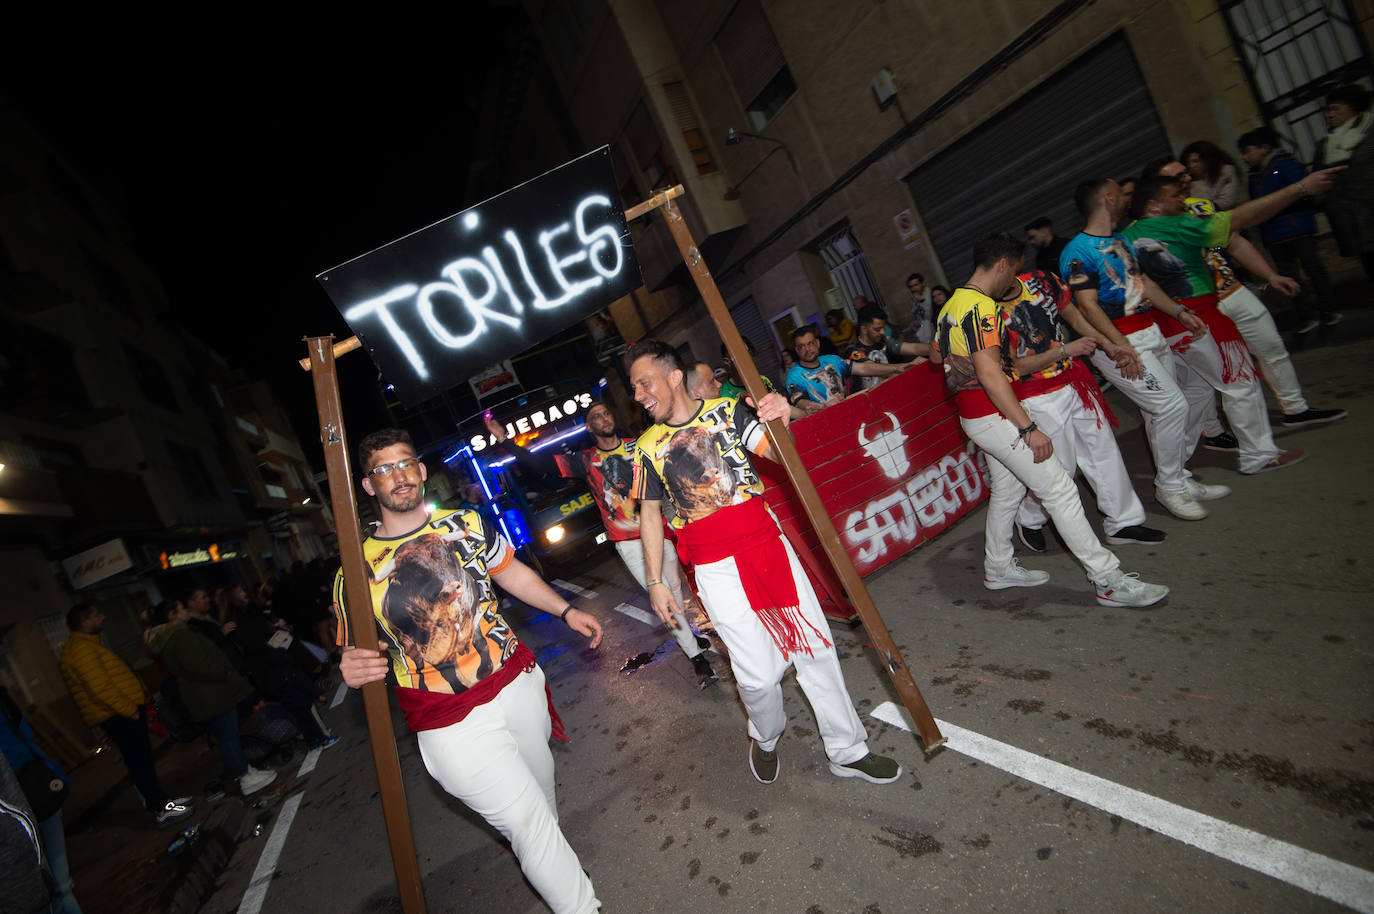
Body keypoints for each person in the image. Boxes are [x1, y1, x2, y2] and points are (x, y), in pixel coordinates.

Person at [336, 428, 604, 914]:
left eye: (405, 463)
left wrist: (565, 611)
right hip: (448, 720)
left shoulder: (468, 523)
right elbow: (359, 648)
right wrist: (352, 665)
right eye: (384, 469)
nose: (398, 475)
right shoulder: (354, 572)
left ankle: (555, 868)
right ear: (369, 485)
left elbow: (512, 573)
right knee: (525, 821)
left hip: (516, 684)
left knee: (541, 805)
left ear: (421, 471)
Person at [626, 339, 902, 786]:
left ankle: (848, 750)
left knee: (814, 648)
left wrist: (779, 419)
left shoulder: (729, 412)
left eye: (644, 383)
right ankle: (766, 734)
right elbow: (650, 514)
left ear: (674, 377)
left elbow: (778, 454)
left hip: (766, 544)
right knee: (758, 676)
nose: (638, 395)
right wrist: (655, 579)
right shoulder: (645, 447)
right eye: (635, 388)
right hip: (715, 566)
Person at [936, 233, 1169, 607]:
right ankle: (1108, 580)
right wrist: (1027, 427)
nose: (1014, 278)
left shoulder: (952, 305)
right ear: (1002, 265)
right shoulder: (980, 307)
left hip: (977, 414)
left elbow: (938, 357)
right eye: (1014, 269)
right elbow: (992, 373)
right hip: (992, 414)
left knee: (1009, 491)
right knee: (1060, 490)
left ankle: (998, 567)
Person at [484, 404, 718, 684]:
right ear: (589, 427)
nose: (604, 418)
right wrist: (504, 439)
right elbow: (537, 463)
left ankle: (688, 637)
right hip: (629, 543)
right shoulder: (585, 460)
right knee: (663, 596)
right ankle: (697, 658)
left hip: (659, 531)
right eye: (597, 416)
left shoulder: (637, 445)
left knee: (675, 588)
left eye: (607, 413)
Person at [1126, 173, 1324, 475]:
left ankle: (1173, 467)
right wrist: (1298, 189)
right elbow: (1238, 220)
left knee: (1196, 392)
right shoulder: (1176, 224)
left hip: (1164, 322)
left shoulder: (1127, 235)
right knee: (1240, 382)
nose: (1183, 199)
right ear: (1153, 206)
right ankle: (1259, 454)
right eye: (1175, 196)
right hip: (1199, 316)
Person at [1060, 178, 1223, 521]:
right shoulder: (1077, 251)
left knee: (1164, 410)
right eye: (1122, 194)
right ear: (1108, 199)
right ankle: (1170, 488)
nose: (1127, 199)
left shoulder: (1119, 240)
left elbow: (1143, 282)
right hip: (1121, 342)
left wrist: (1179, 312)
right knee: (1172, 405)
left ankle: (1178, 476)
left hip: (1148, 330)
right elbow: (1088, 306)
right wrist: (1122, 347)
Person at [1144, 158, 1346, 434]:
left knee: (1271, 348)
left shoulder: (1200, 206)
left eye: (1186, 174)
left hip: (1231, 290)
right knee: (1223, 373)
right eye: (1177, 177)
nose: (1186, 179)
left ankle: (1295, 409)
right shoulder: (1146, 226)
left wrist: (1270, 276)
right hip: (1195, 306)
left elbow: (1234, 242)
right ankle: (1222, 432)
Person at [998, 270, 1166, 553]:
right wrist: (1065, 351)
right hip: (1036, 395)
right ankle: (1029, 516)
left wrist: (1109, 345)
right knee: (1062, 467)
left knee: (1103, 449)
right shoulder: (987, 313)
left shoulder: (1043, 281)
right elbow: (1012, 368)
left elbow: (1075, 317)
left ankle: (1123, 522)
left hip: (1074, 381)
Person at [58, 604, 193, 826]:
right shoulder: (81, 650)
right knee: (139, 761)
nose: (103, 617)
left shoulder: (88, 646)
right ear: (84, 621)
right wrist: (130, 711)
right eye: (96, 615)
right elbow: (100, 688)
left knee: (142, 760)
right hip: (118, 715)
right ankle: (159, 807)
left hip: (120, 713)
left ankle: (160, 801)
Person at [144, 601, 278, 797]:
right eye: (181, 608)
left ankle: (244, 771)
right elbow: (199, 665)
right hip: (209, 694)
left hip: (205, 694)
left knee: (227, 736)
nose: (186, 610)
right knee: (228, 737)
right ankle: (245, 776)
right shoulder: (180, 637)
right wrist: (225, 673)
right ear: (172, 615)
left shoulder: (173, 638)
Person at [1237, 127, 1339, 332]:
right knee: (1288, 276)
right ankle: (1306, 315)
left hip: (1297, 227)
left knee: (1313, 270)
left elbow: (1301, 193)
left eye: (1248, 151)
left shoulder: (1285, 164)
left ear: (1265, 148)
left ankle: (1329, 309)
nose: (1244, 157)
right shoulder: (1254, 175)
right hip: (1274, 234)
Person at [0, 686, 81, 914]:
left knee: (56, 887)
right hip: (32, 789)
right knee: (59, 886)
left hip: (31, 791)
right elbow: (24, 735)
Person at [1314, 83, 1374, 280]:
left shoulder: (1369, 133)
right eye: (1328, 110)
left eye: (1335, 109)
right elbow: (1318, 178)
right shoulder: (1325, 145)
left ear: (1353, 109)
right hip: (1350, 218)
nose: (1329, 115)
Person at [841, 304, 928, 392]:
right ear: (864, 329)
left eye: (883, 328)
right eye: (877, 329)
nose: (882, 332)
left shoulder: (883, 343)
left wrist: (933, 348)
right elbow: (872, 368)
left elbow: (914, 348)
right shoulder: (852, 350)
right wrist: (909, 365)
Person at [1180, 140, 1241, 210]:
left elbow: (1226, 202)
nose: (1191, 166)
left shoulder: (1226, 171)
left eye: (1196, 161)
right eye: (1188, 163)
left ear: (1208, 160)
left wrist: (1198, 208)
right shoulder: (1189, 179)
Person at [906, 273, 935, 343]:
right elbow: (916, 314)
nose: (913, 289)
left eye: (916, 285)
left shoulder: (931, 295)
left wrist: (922, 300)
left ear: (923, 284)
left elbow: (930, 315)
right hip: (924, 332)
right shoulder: (915, 298)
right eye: (911, 287)